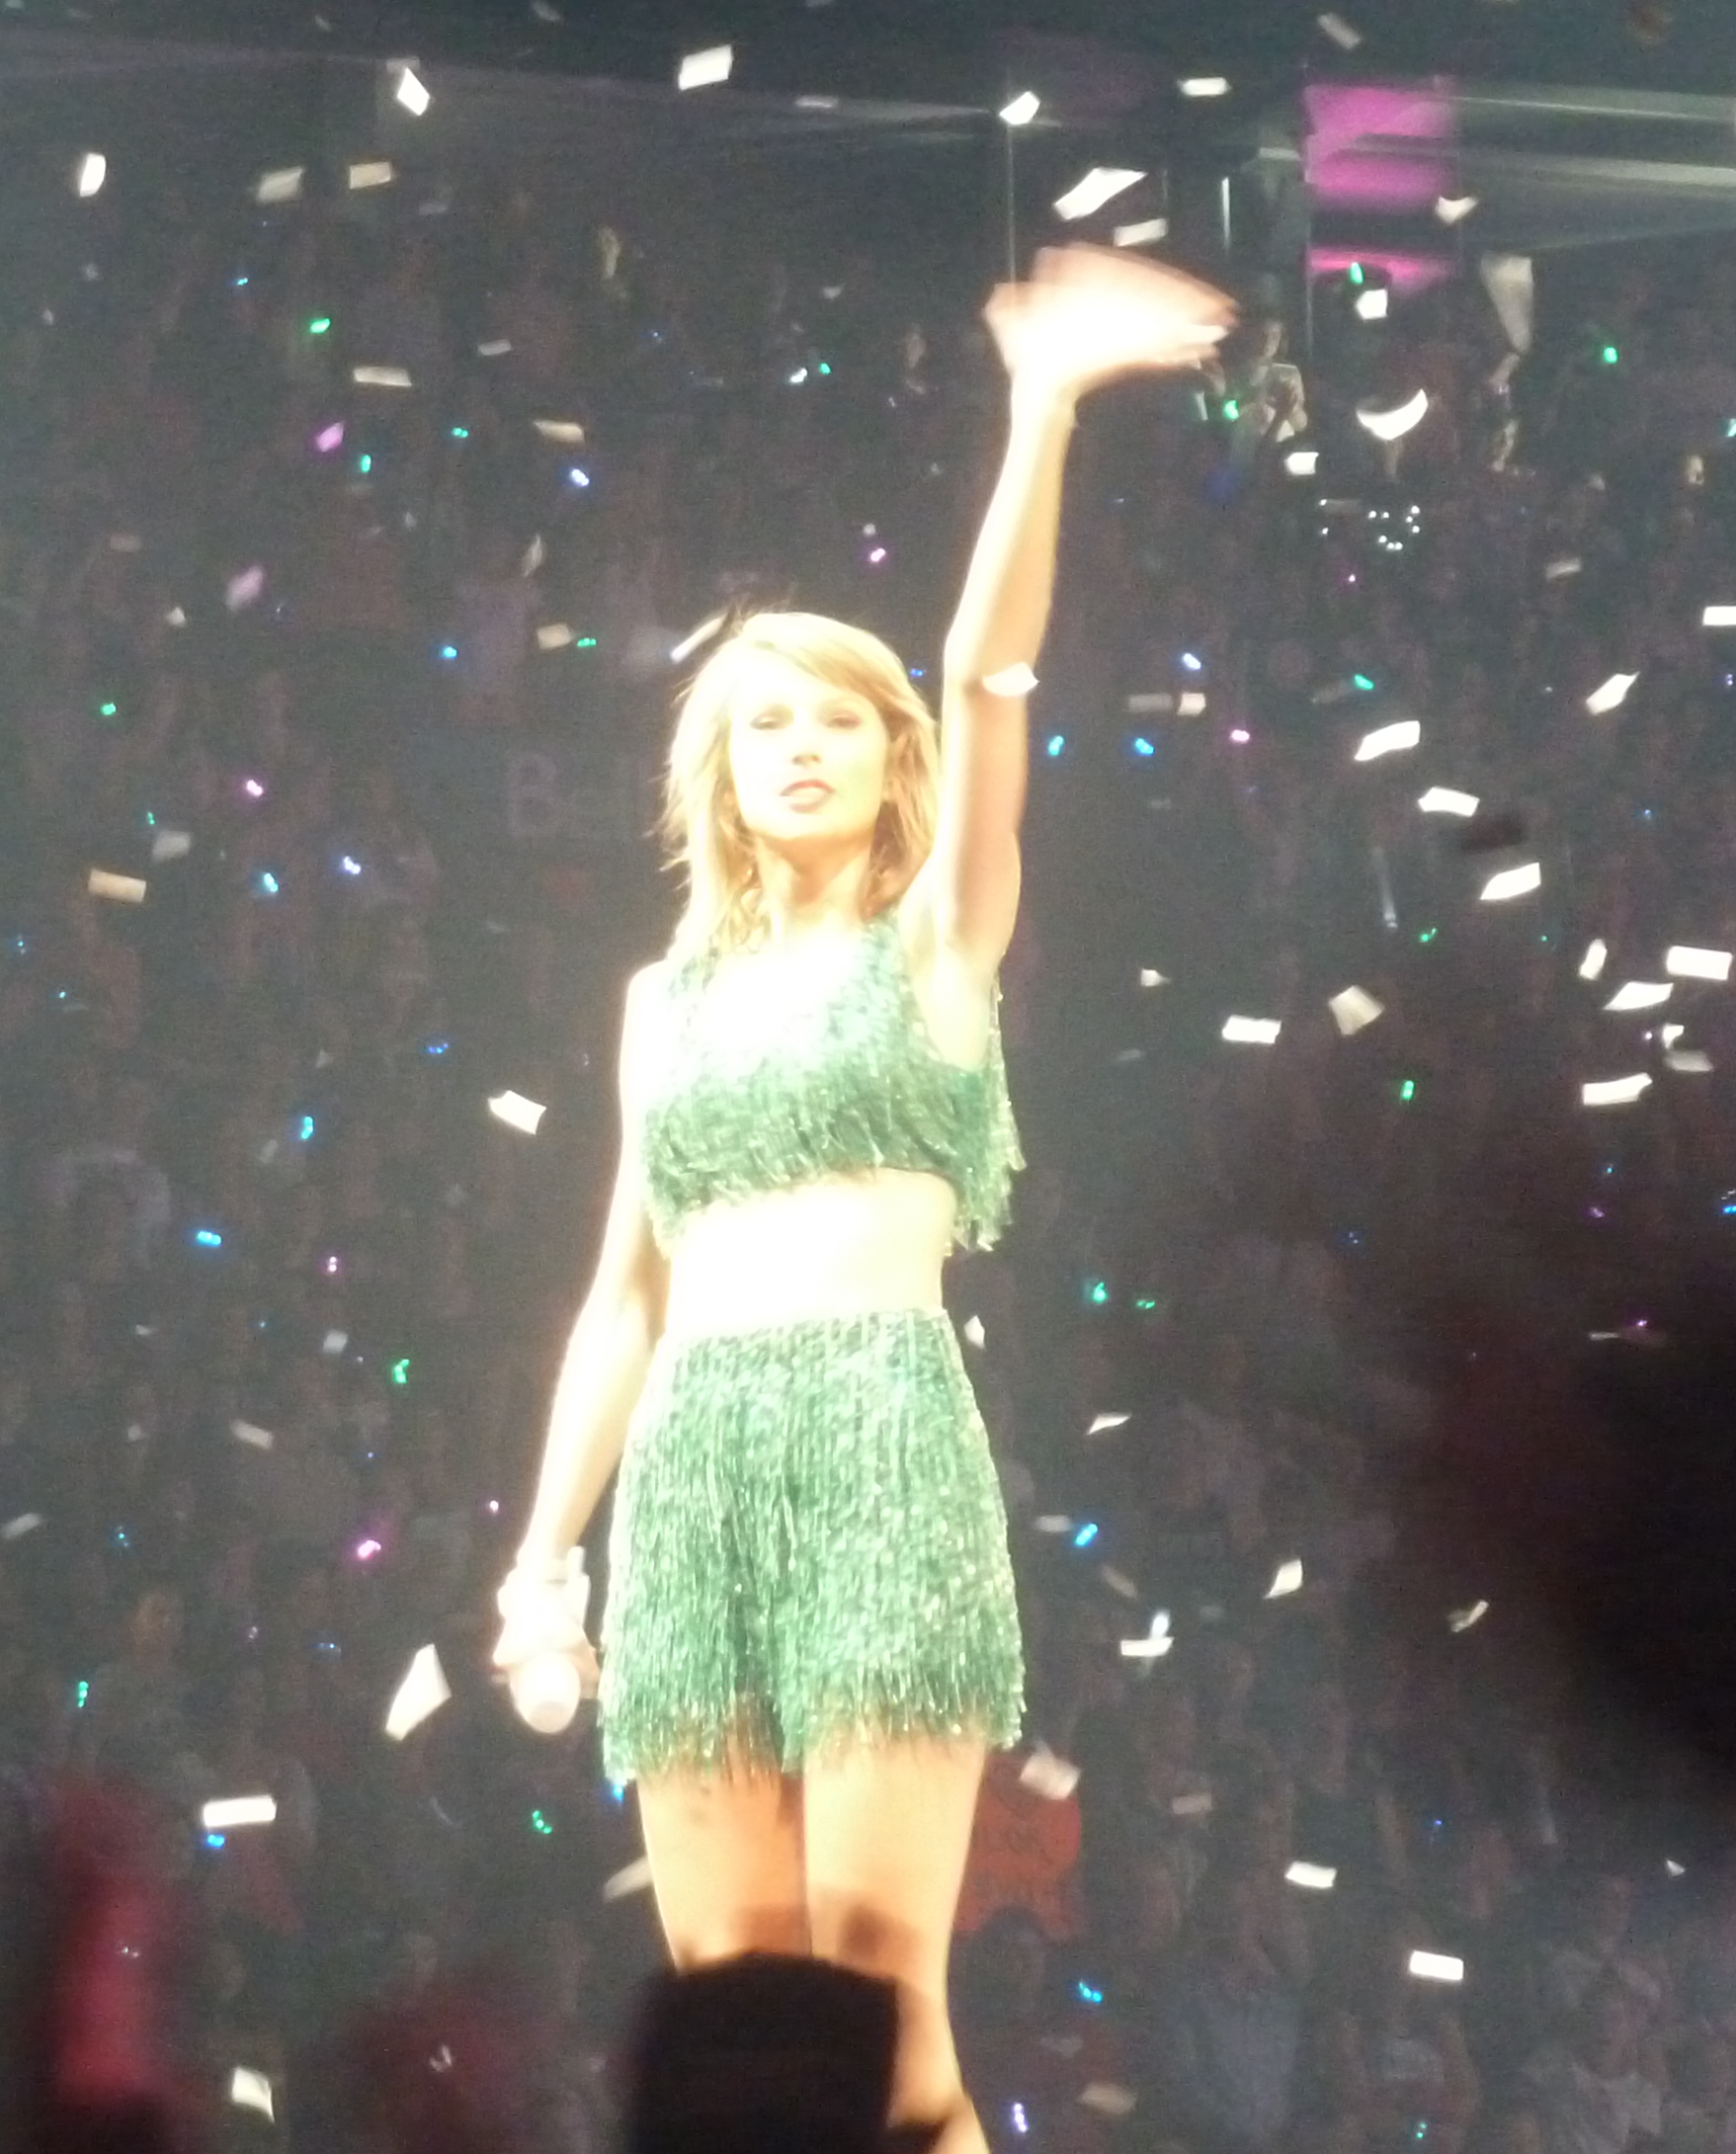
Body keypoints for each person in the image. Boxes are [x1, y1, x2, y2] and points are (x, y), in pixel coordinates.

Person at [486, 243, 1236, 2154]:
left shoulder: (938, 946)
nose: (802, 747)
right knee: (731, 2021)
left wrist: (1040, 410)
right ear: (719, 771)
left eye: (836, 719)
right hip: (692, 1482)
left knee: (880, 2020)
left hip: (881, 1446)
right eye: (767, 724)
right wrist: (542, 1558)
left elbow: (989, 673)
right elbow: (623, 1298)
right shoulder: (659, 1000)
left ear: (889, 757)